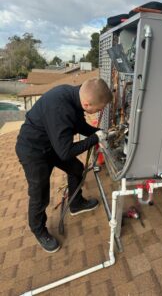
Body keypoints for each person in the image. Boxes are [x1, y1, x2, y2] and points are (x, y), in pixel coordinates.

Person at [15, 78, 112, 253]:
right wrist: (95, 139)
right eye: (97, 110)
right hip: (33, 150)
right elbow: (65, 152)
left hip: (52, 144)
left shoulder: (74, 95)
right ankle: (38, 230)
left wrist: (98, 132)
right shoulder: (60, 108)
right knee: (39, 195)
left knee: (76, 169)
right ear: (87, 103)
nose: (99, 112)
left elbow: (79, 124)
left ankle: (75, 204)